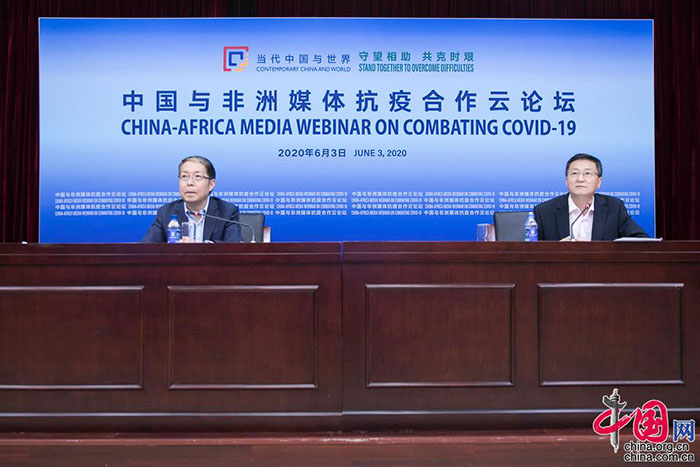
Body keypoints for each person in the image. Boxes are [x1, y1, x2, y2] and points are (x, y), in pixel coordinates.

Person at [533, 153, 648, 241]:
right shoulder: (544, 211)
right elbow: (531, 251)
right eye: (574, 173)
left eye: (587, 173)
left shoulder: (614, 208)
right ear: (566, 181)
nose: (580, 179)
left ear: (599, 182)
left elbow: (641, 240)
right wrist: (558, 250)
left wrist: (596, 251)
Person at [141, 156, 243, 243]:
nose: (189, 183)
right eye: (184, 176)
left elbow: (234, 246)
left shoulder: (227, 212)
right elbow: (147, 248)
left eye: (197, 176)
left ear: (211, 184)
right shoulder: (166, 212)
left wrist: (200, 247)